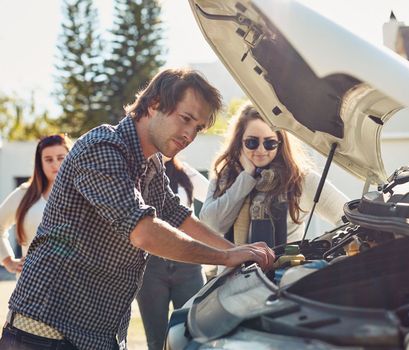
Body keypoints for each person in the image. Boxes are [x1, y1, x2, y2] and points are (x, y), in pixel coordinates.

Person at [0, 69, 274, 350]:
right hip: (45, 333)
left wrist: (241, 255)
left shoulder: (151, 162)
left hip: (98, 334)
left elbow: (175, 214)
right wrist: (225, 257)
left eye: (198, 128)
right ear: (154, 103)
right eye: (186, 119)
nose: (190, 134)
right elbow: (144, 233)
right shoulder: (102, 147)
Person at [200, 103, 349, 247]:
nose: (261, 150)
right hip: (232, 272)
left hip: (284, 271)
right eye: (252, 142)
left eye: (269, 143)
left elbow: (351, 218)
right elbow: (211, 225)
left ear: (280, 143)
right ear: (239, 142)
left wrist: (320, 248)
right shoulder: (226, 175)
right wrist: (246, 178)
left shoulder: (300, 180)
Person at [136, 157, 209, 350]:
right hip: (151, 267)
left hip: (188, 264)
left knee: (192, 335)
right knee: (156, 340)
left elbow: (214, 198)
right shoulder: (137, 172)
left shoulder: (186, 172)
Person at [0, 134, 72, 276]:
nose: (55, 164)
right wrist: (8, 261)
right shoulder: (24, 194)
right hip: (33, 285)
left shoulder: (83, 193)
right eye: (48, 159)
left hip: (76, 285)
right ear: (40, 163)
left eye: (61, 158)